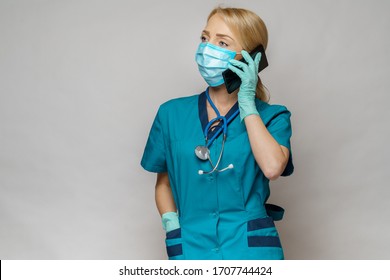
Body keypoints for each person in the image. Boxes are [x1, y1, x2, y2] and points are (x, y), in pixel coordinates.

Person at [141, 7, 294, 260]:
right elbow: (164, 183)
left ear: (250, 56)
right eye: (205, 38)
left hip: (250, 250)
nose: (207, 48)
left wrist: (247, 104)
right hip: (190, 247)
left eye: (222, 42)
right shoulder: (171, 114)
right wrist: (172, 227)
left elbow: (272, 168)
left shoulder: (273, 117)